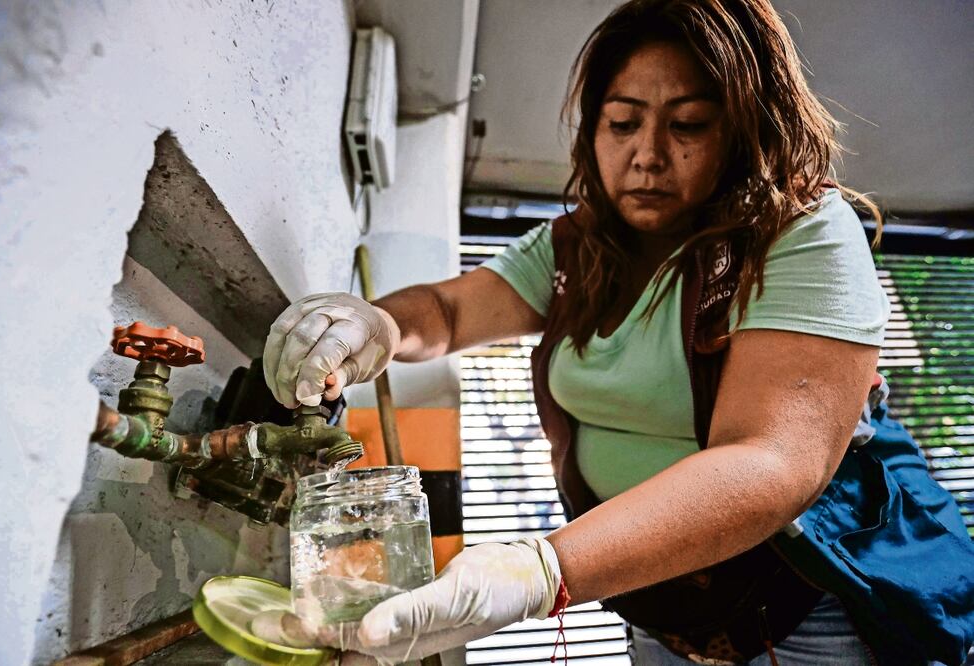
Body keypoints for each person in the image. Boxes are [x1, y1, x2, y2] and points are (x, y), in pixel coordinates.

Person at [264, 1, 974, 664]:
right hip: (650, 591)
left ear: (743, 129)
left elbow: (770, 460)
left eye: (688, 124)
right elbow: (448, 314)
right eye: (622, 122)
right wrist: (375, 324)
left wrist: (545, 566)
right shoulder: (577, 247)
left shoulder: (802, 232)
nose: (647, 155)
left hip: (807, 603)